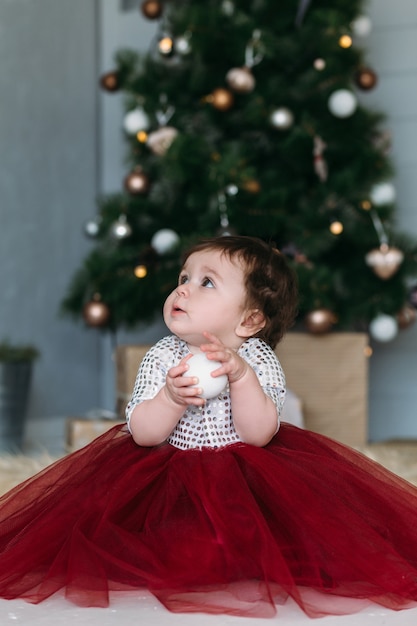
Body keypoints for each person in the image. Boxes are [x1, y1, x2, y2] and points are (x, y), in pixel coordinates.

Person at [0, 235, 417, 619]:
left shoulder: (256, 358)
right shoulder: (164, 355)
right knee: (159, 539)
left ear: (250, 322)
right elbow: (144, 434)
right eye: (184, 277)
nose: (183, 288)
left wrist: (241, 377)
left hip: (247, 477)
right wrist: (169, 398)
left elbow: (259, 434)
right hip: (167, 471)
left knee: (276, 541)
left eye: (207, 283)